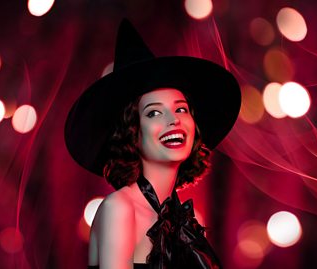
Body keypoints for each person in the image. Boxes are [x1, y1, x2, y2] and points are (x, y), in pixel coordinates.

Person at [64, 19, 241, 269]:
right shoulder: (120, 209)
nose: (174, 120)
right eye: (154, 113)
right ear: (132, 132)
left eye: (181, 109)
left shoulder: (183, 220)